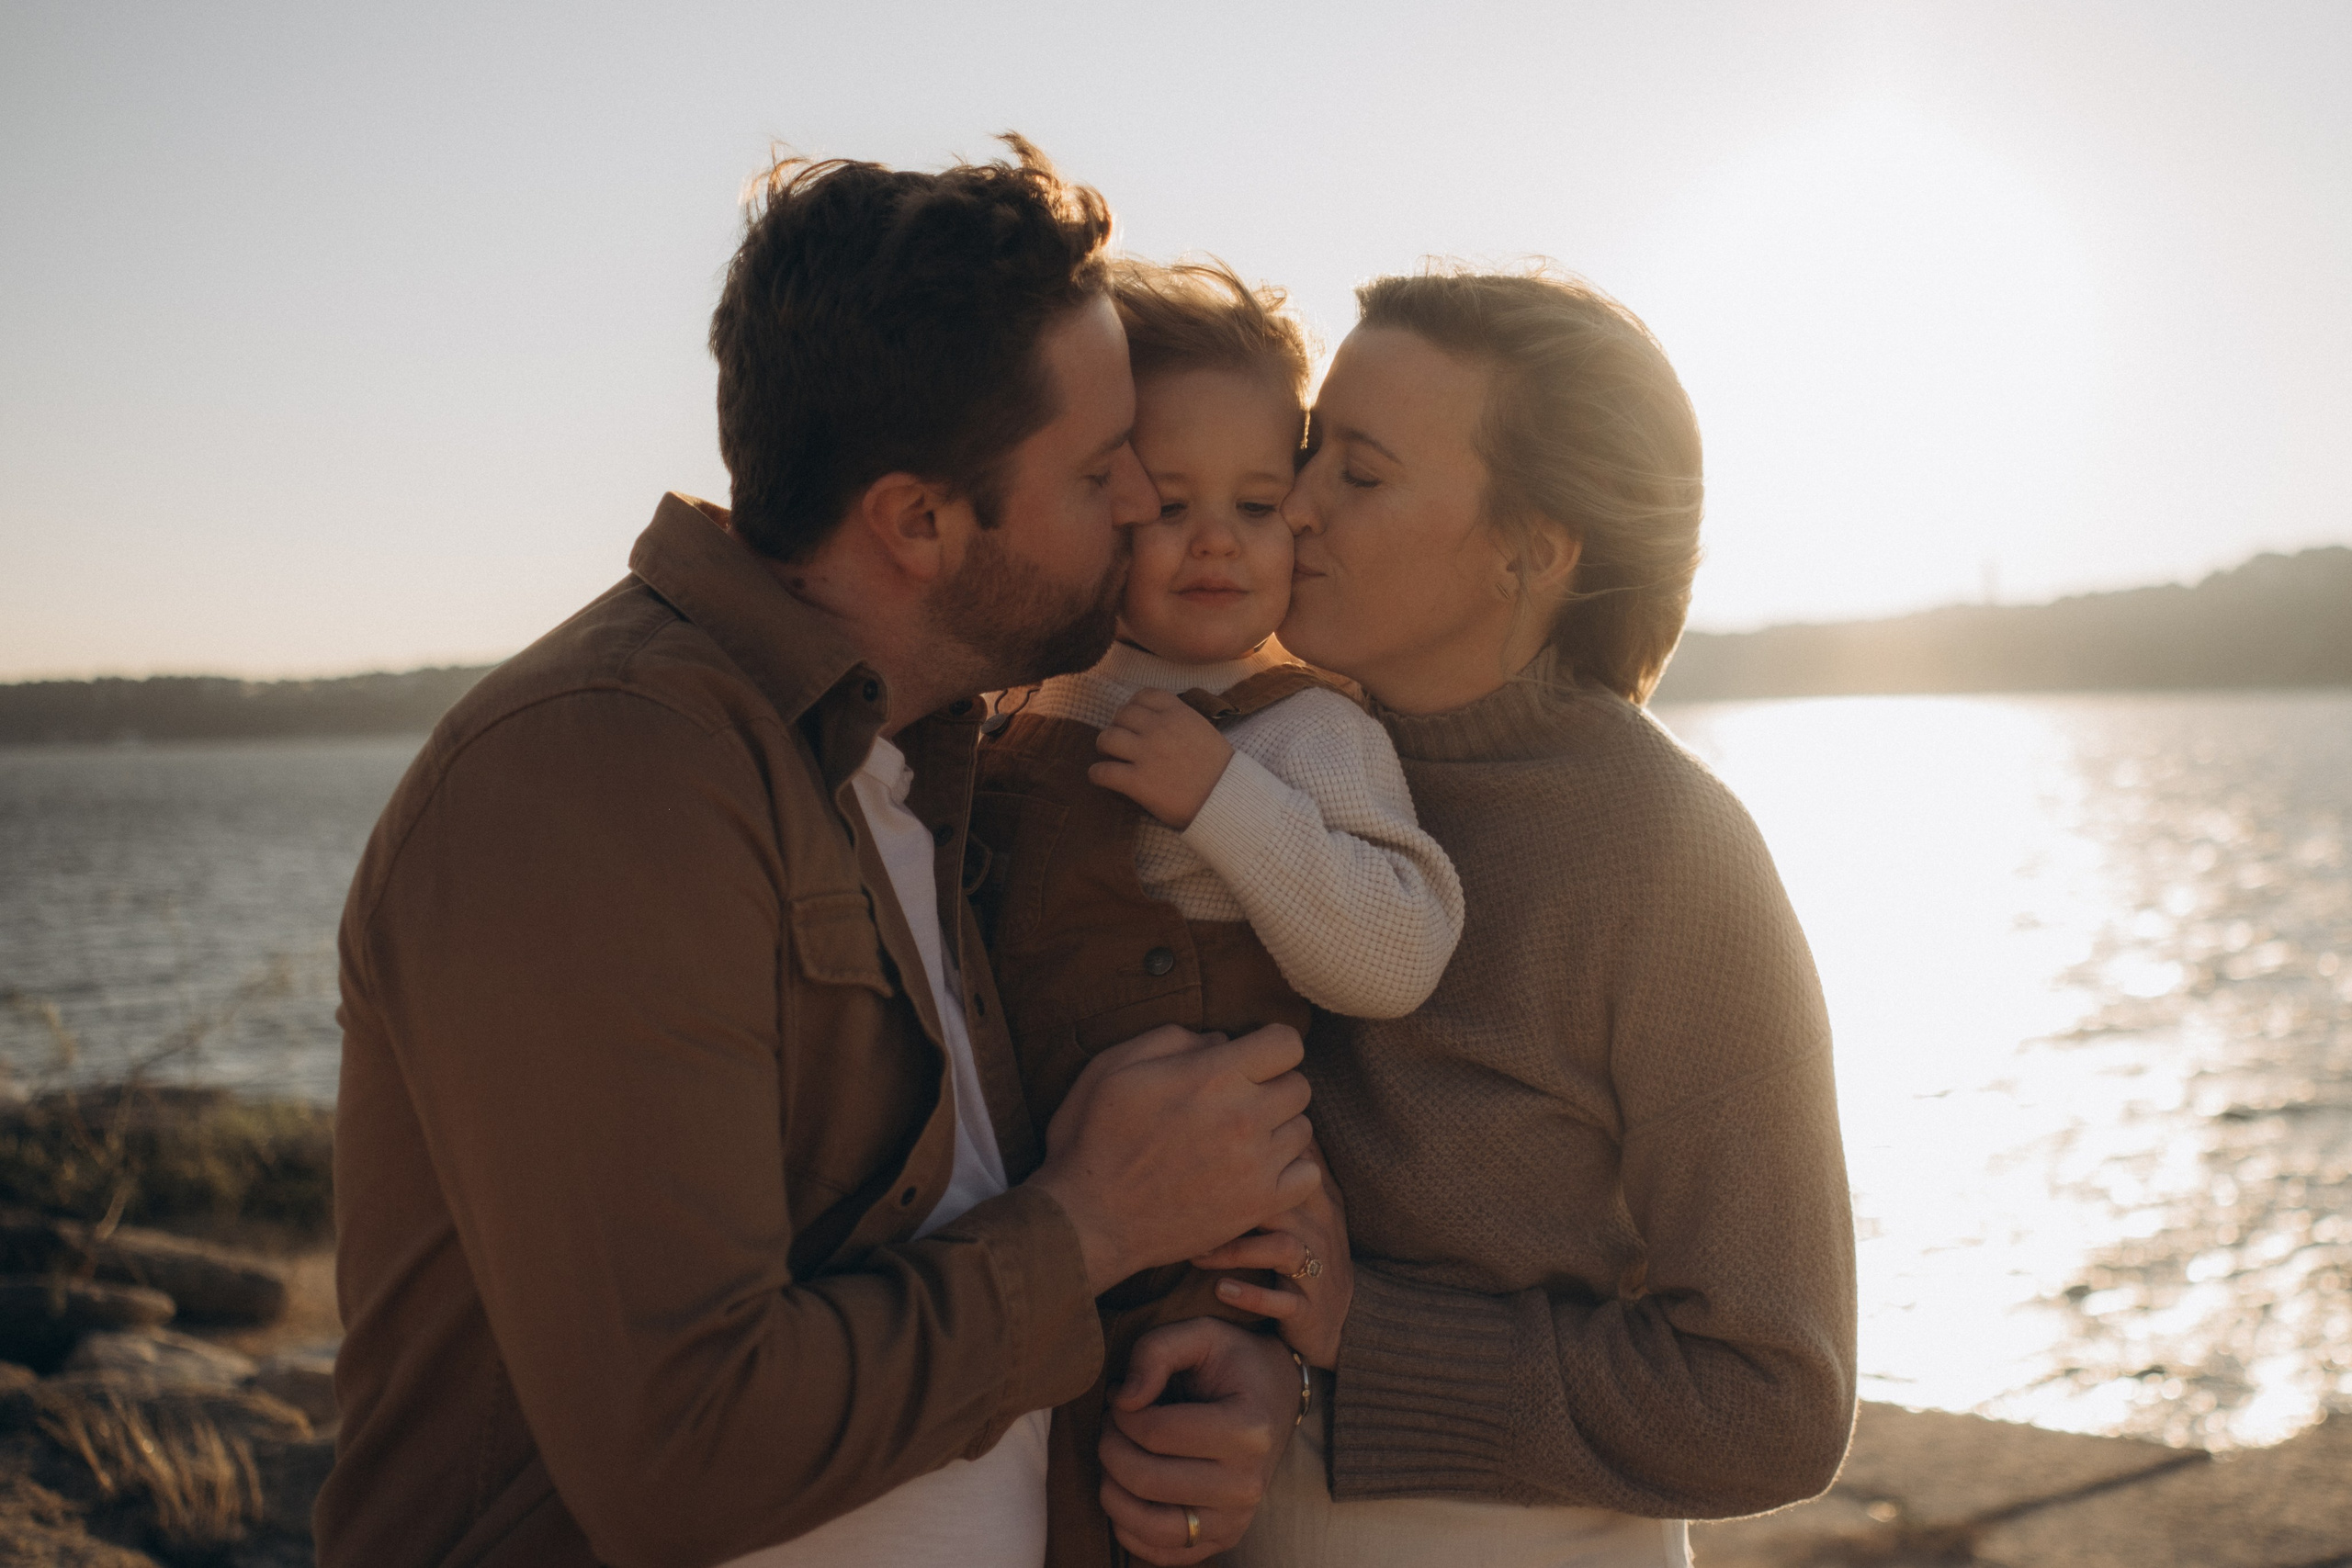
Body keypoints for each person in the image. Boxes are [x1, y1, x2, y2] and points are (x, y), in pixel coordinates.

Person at [317, 139, 1323, 1568]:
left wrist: (1236, 1378)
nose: (1141, 508)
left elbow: (959, 1253)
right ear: (918, 521)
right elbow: (683, 1450)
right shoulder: (603, 772)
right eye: (1104, 469)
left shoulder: (935, 760)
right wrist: (1096, 1226)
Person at [1198, 268, 1860, 1568]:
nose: (1299, 502)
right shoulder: (1233, 752)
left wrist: (1362, 1338)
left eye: (1362, 473)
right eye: (1312, 447)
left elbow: (1775, 1401)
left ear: (1535, 549)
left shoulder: (1667, 852)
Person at [967, 258, 1464, 1566]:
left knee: (1141, 1505)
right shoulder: (1030, 702)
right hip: (1022, 1207)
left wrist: (1225, 802)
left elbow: (1396, 951)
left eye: (1254, 504)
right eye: (1169, 503)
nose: (1216, 541)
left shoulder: (1307, 729)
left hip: (1197, 1252)